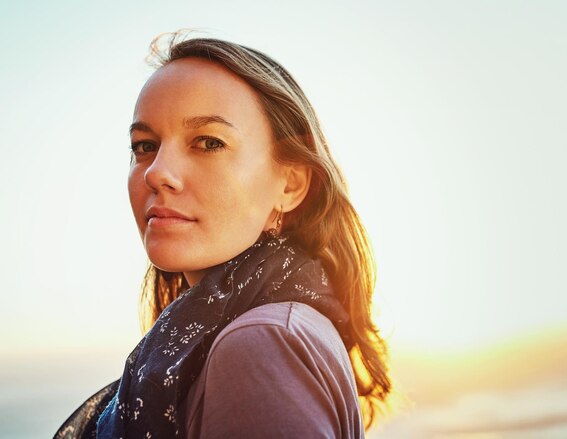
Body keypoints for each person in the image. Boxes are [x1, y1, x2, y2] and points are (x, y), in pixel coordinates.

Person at [54, 33, 390, 438]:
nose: (156, 172)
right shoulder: (279, 328)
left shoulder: (261, 343)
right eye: (145, 145)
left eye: (208, 142)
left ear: (290, 185)